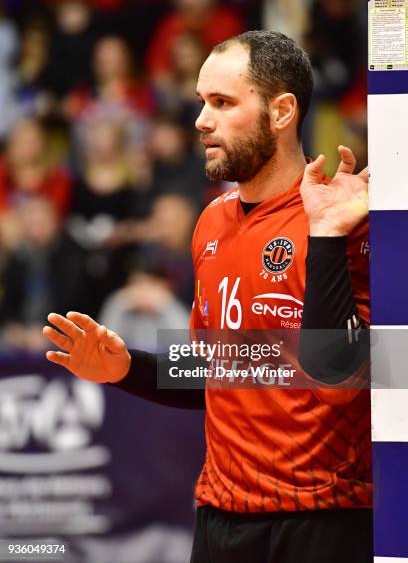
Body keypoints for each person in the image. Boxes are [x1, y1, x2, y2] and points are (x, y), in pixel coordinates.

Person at [43, 31, 371, 563]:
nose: (201, 121)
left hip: (322, 518)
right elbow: (222, 370)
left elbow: (340, 381)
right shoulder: (211, 222)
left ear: (282, 111)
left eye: (222, 103)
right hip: (219, 518)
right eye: (202, 102)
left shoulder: (347, 220)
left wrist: (328, 234)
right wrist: (126, 368)